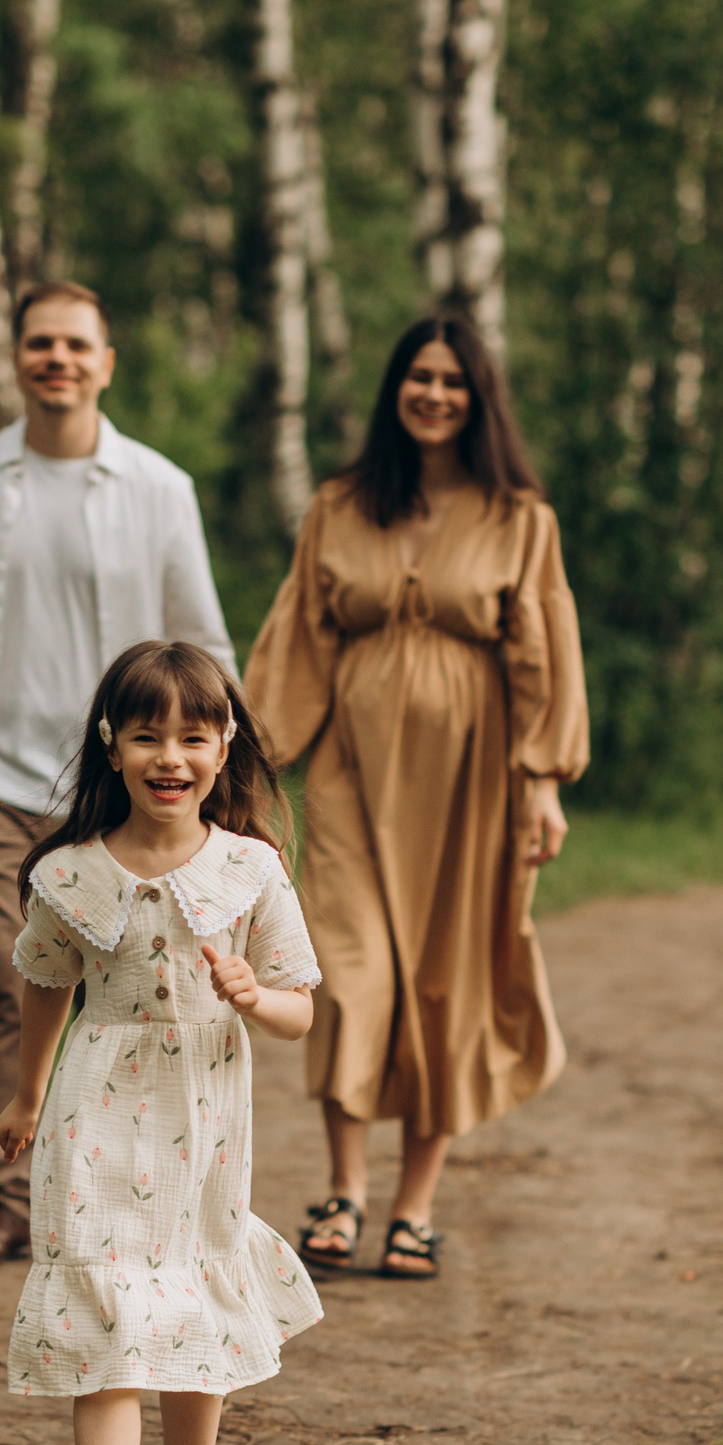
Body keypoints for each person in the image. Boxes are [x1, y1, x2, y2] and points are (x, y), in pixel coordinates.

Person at [0, 282, 237, 1269]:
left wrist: (217, 772)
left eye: (76, 344)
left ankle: (119, 1185)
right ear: (16, 358)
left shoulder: (158, 486)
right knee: (2, 979)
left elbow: (201, 639)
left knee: (126, 989)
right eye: (40, 343)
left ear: (105, 361)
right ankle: (9, 1197)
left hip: (120, 788)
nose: (57, 360)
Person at [243, 313, 590, 1281]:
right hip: (351, 769)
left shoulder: (520, 516)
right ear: (395, 390)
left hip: (470, 781)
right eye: (418, 377)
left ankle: (415, 1206)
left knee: (446, 978)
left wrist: (542, 783)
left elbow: (540, 654)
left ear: (477, 399)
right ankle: (344, 1187)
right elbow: (296, 639)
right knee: (345, 970)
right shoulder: (341, 504)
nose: (433, 394)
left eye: (453, 380)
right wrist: (249, 764)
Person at [0, 641, 323, 1445]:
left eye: (192, 733)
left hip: (202, 1121)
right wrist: (24, 1092)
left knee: (190, 1301)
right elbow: (46, 983)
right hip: (96, 1108)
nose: (169, 755)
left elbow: (301, 1007)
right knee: (105, 1307)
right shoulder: (71, 875)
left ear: (225, 744)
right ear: (112, 744)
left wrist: (255, 994)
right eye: (146, 734)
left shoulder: (248, 869)